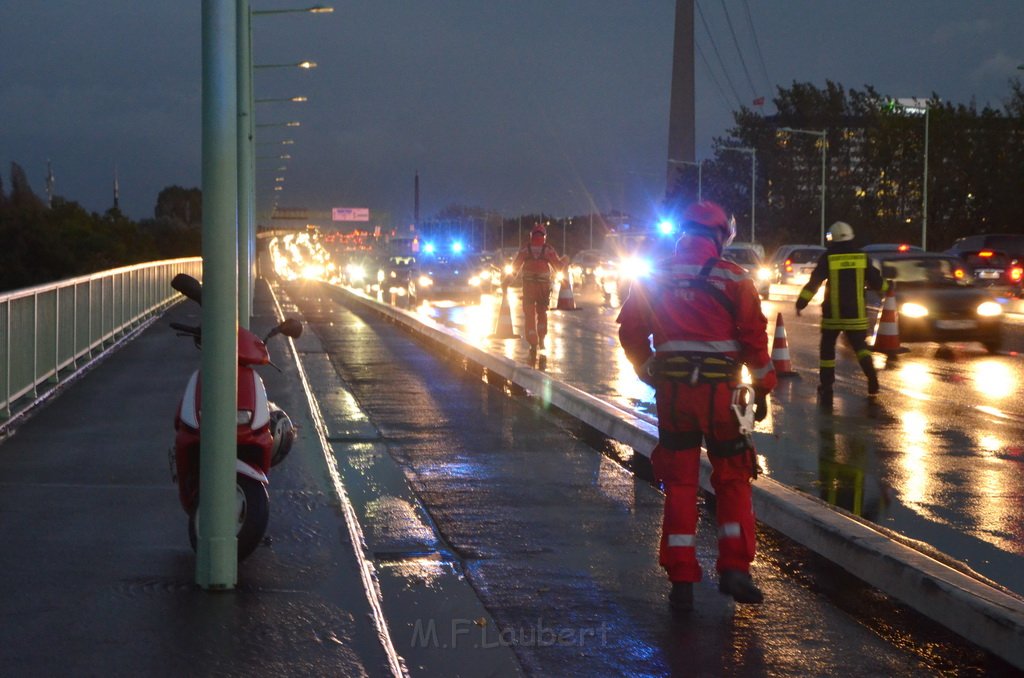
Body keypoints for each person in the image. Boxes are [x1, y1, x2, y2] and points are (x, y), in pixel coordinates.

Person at [617, 201, 777, 615]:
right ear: (721, 236)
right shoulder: (734, 278)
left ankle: (681, 577)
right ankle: (735, 569)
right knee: (735, 475)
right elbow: (755, 340)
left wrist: (648, 368)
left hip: (673, 396)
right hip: (726, 395)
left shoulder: (655, 277)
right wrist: (762, 389)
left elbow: (631, 330)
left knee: (680, 480)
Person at [795, 221, 887, 408]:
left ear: (832, 239)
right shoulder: (862, 257)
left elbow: (815, 283)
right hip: (856, 315)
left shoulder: (828, 257)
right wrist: (889, 289)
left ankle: (827, 386)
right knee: (860, 348)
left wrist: (801, 303)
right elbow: (877, 282)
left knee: (827, 350)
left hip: (833, 315)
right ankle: (872, 380)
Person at [506, 224, 568, 352]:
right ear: (544, 236)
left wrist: (506, 282)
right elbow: (558, 266)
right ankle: (541, 339)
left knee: (529, 314)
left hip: (528, 287)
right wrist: (565, 260)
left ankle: (532, 343)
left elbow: (515, 267)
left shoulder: (525, 249)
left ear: (531, 235)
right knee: (542, 312)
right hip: (543, 288)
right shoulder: (548, 250)